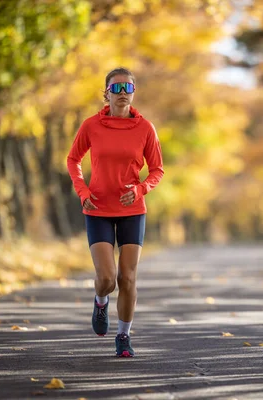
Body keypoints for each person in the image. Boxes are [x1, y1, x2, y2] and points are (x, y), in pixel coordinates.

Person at [66, 67, 164, 357]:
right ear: (106, 93)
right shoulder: (91, 126)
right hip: (97, 209)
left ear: (134, 92)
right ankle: (100, 301)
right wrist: (83, 192)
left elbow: (157, 169)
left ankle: (123, 335)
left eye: (128, 88)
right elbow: (73, 160)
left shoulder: (146, 128)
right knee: (108, 278)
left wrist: (141, 188)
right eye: (116, 88)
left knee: (128, 277)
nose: (122, 93)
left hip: (132, 209)